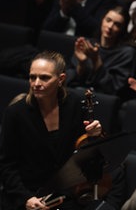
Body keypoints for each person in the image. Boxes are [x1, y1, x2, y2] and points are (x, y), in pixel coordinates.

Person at [0, 51, 105, 209]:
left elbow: (87, 154)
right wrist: (26, 198)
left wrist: (95, 135)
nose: (36, 83)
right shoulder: (15, 113)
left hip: (66, 194)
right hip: (27, 195)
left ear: (61, 79)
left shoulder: (75, 105)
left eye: (44, 77)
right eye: (32, 77)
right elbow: (7, 165)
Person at [66, 6, 136, 97]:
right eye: (108, 20)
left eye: (117, 25)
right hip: (77, 93)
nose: (110, 26)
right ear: (102, 20)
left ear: (122, 29)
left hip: (102, 100)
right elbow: (69, 78)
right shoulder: (89, 44)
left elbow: (115, 88)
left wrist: (96, 61)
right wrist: (82, 63)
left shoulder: (127, 53)